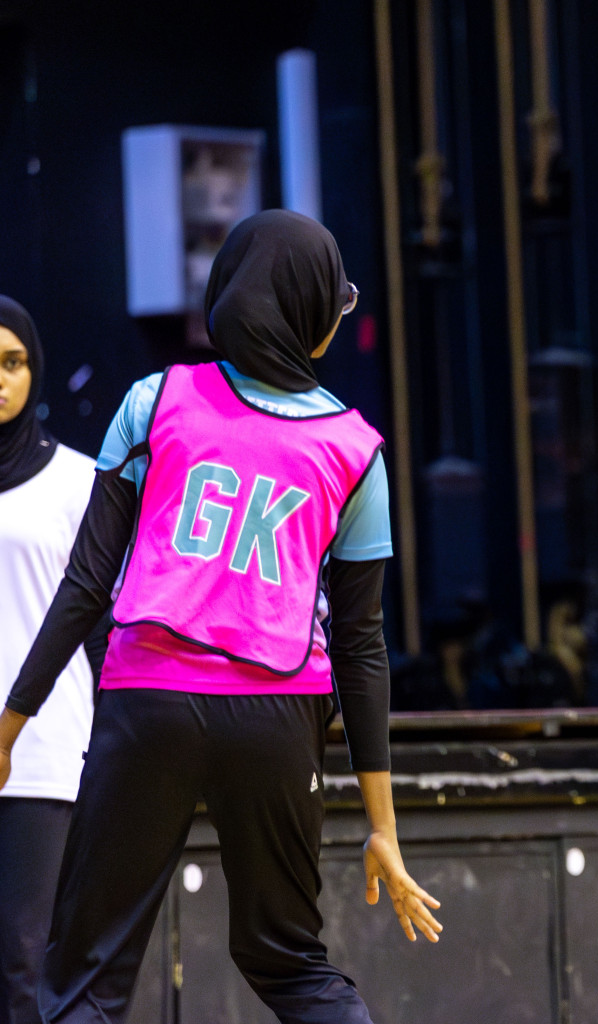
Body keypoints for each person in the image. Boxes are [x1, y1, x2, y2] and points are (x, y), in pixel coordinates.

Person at [0, 210, 442, 1024]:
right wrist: (382, 825)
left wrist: (10, 723)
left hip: (148, 704)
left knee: (85, 977)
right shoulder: (356, 449)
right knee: (289, 962)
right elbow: (361, 645)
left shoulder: (154, 401)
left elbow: (85, 585)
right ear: (311, 314)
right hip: (280, 717)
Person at [0, 297, 98, 1024]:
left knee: (24, 962)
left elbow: (106, 625)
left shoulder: (78, 482)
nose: (0, 380)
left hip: (41, 753)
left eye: (12, 363)